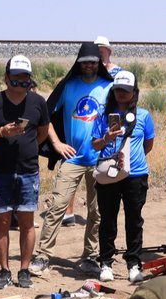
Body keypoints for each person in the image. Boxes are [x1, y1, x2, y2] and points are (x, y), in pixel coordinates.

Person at [33, 42, 115, 276]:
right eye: (84, 62)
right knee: (58, 206)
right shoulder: (68, 87)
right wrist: (57, 144)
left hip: (100, 159)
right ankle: (43, 255)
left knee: (96, 211)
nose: (89, 65)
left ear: (99, 64)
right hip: (73, 159)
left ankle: (89, 257)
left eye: (93, 62)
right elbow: (45, 115)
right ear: (78, 64)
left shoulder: (108, 87)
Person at [0, 55, 50, 290]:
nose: (20, 82)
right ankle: (5, 270)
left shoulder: (38, 102)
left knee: (27, 221)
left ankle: (24, 269)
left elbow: (42, 132)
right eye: (16, 78)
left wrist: (27, 149)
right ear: (6, 78)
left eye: (25, 78)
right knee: (2, 221)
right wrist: (1, 132)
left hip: (28, 171)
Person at [90, 71, 155, 283]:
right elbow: (95, 144)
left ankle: (133, 264)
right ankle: (106, 262)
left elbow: (148, 144)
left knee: (134, 220)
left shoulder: (143, 115)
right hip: (109, 174)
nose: (121, 94)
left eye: (126, 91)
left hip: (135, 175)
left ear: (134, 93)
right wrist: (107, 138)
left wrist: (130, 161)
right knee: (107, 219)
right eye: (118, 90)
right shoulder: (102, 116)